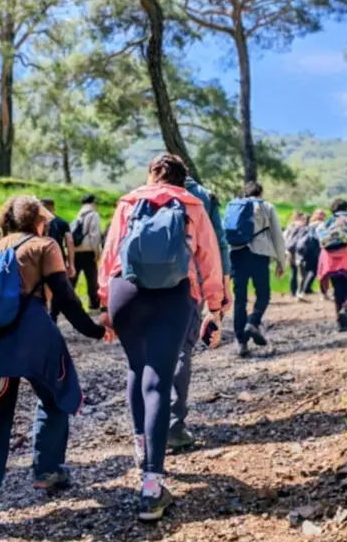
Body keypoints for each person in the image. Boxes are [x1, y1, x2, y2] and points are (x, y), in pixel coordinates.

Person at [0, 196, 107, 535]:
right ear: (38, 222)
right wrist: (95, 329)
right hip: (34, 338)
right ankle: (47, 470)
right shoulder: (44, 245)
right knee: (54, 397)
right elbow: (64, 295)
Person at [98, 154, 224, 522]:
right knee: (158, 382)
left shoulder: (128, 201)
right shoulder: (192, 205)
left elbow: (109, 255)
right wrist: (214, 307)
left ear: (152, 175)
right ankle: (152, 488)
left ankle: (140, 445)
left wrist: (106, 304)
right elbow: (208, 260)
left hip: (126, 292)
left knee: (136, 369)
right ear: (182, 180)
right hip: (172, 294)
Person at [168, 169, 232, 451]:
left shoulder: (138, 197)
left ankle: (144, 430)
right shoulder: (201, 197)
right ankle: (172, 426)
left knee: (144, 358)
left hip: (138, 286)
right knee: (181, 350)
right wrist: (218, 296)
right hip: (186, 282)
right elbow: (216, 244)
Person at [226, 182, 287, 357]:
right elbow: (277, 234)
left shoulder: (233, 205)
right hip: (259, 254)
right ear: (260, 192)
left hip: (236, 254)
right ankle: (253, 322)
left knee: (240, 298)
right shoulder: (266, 206)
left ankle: (241, 342)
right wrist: (281, 262)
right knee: (263, 294)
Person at [316, 199, 347, 331]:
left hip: (331, 259)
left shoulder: (329, 220)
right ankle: (346, 310)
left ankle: (342, 323)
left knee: (338, 288)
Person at [42, 197, 77, 321]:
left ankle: (43, 313)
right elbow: (70, 241)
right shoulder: (61, 222)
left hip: (40, 259)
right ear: (53, 207)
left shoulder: (37, 223)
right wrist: (71, 264)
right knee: (57, 287)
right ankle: (53, 315)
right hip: (58, 259)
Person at [71, 194, 103, 311]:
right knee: (92, 280)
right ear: (93, 202)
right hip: (88, 252)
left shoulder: (79, 214)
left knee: (73, 280)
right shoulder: (93, 215)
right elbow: (94, 236)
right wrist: (97, 252)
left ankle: (66, 304)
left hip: (76, 251)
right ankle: (94, 306)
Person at [296, 209, 325, 300]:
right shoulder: (321, 225)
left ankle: (301, 290)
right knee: (315, 271)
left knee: (306, 272)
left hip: (305, 251)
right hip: (315, 250)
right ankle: (306, 290)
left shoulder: (308, 225)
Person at [283, 211, 309, 298]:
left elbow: (285, 237)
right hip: (298, 250)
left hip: (289, 250)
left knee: (293, 271)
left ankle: (292, 291)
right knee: (301, 272)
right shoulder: (302, 226)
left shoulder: (290, 226)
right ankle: (300, 291)